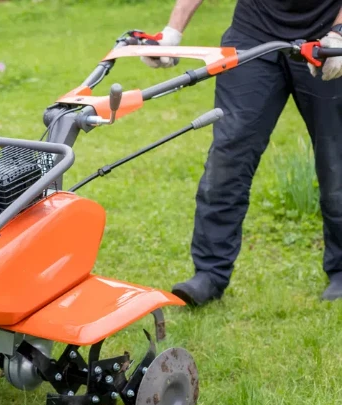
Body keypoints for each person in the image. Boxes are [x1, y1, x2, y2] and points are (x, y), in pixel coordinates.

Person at [142, 0, 342, 305]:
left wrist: (339, 34)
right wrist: (173, 30)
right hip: (254, 30)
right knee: (229, 152)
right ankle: (209, 274)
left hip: (327, 32)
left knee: (335, 159)